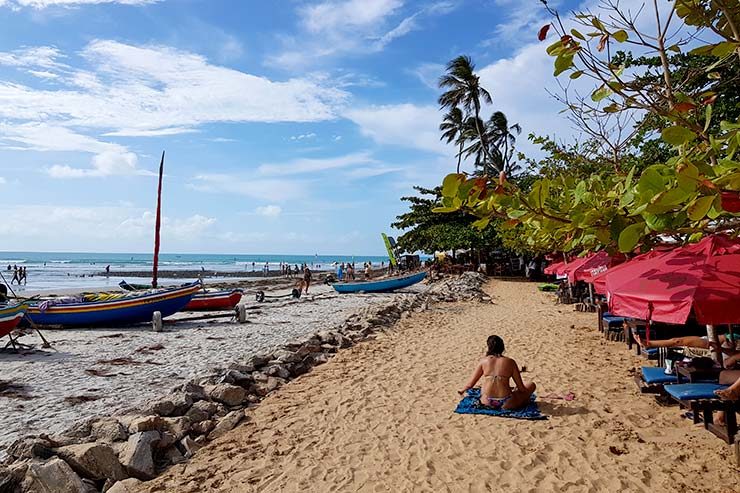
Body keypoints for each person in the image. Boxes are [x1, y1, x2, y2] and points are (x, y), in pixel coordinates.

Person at [459, 335, 536, 410]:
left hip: (486, 401)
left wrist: (462, 391)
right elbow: (521, 388)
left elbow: (470, 385)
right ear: (502, 347)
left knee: (484, 385)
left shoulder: (484, 361)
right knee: (531, 385)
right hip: (507, 402)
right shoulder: (510, 362)